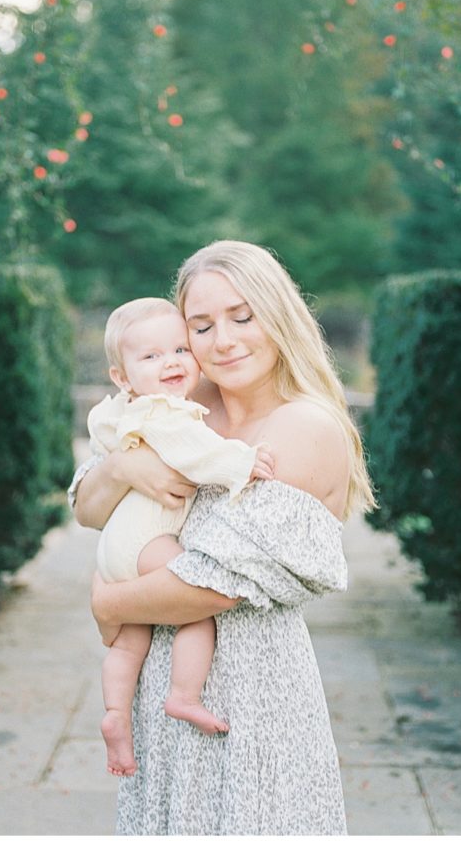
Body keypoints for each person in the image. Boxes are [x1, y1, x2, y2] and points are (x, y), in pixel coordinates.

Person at [68, 240, 376, 835]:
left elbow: (215, 586)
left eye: (242, 316)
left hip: (248, 696)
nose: (224, 340)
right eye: (201, 326)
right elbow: (86, 505)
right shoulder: (183, 405)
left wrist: (107, 600)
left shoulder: (303, 426)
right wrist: (124, 468)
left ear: (278, 314)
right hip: (159, 689)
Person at [88, 296, 274, 776]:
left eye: (178, 349)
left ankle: (115, 716)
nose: (170, 362)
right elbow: (198, 455)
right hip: (148, 540)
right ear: (122, 377)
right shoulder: (167, 414)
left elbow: (102, 441)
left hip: (115, 550)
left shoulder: (121, 412)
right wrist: (243, 462)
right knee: (196, 608)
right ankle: (183, 695)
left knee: (130, 644)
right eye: (150, 357)